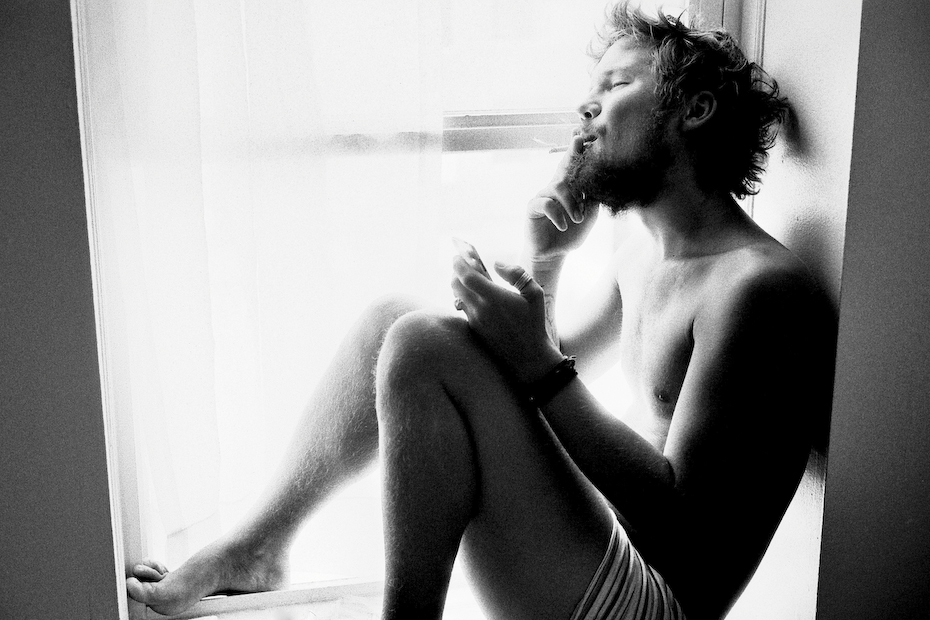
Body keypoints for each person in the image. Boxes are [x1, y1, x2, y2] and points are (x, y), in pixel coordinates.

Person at [126, 3, 835, 619]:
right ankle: (257, 548)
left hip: (651, 602)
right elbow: (550, 376)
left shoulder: (759, 290)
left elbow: (676, 518)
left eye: (617, 84)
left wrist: (538, 362)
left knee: (424, 344)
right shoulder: (640, 253)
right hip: (606, 555)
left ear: (695, 110)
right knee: (391, 324)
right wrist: (547, 258)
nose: (587, 109)